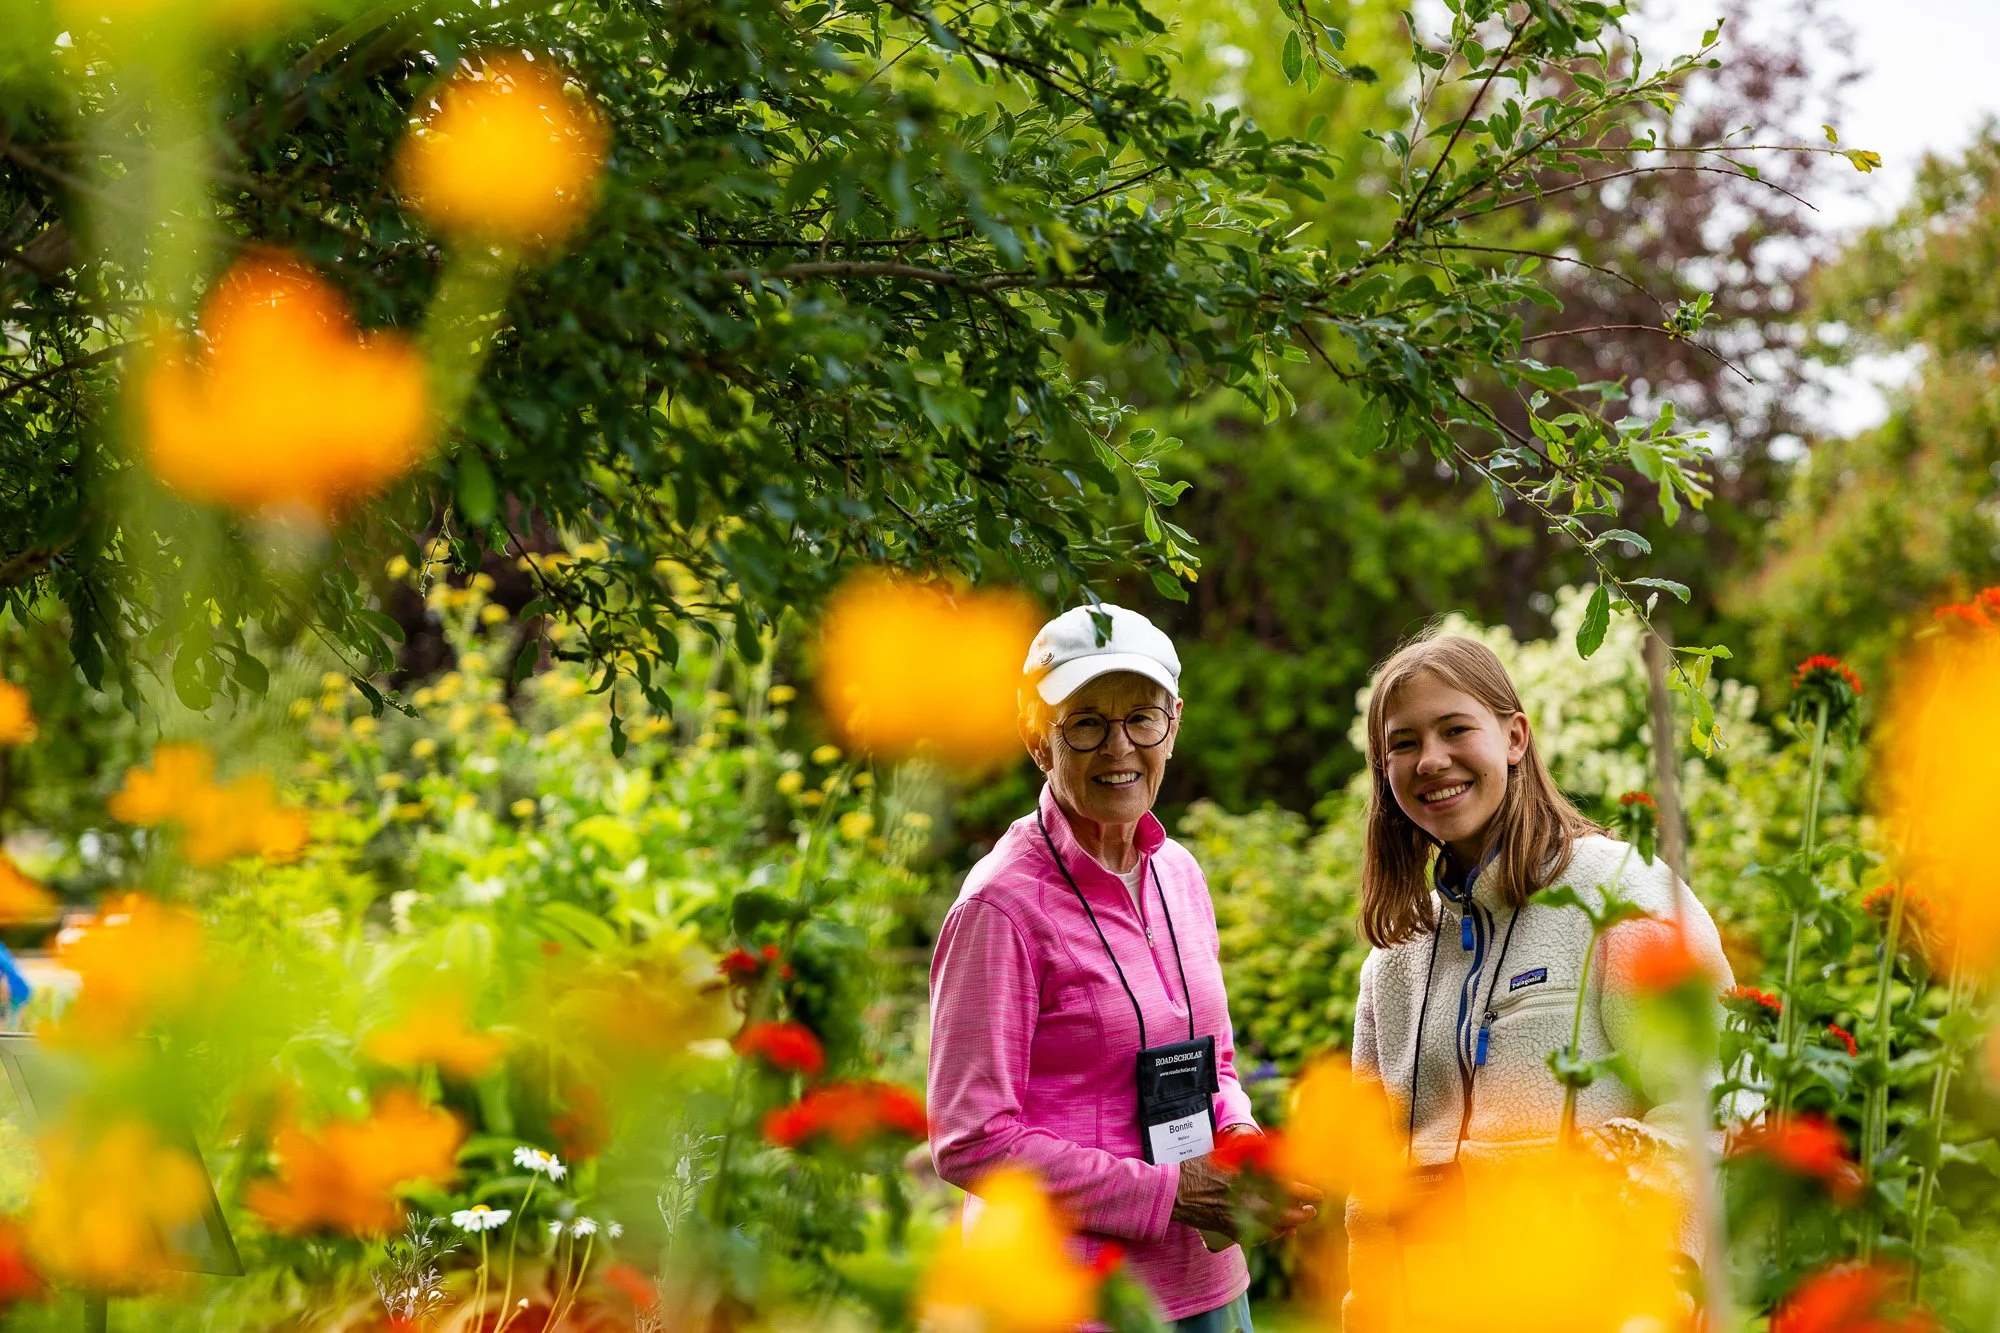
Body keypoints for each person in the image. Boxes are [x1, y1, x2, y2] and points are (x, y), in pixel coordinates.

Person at [928, 603, 1315, 1333]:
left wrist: (1242, 1148)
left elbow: (1217, 1068)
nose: (1120, 748)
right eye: (1086, 722)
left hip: (1207, 1281)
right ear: (1035, 735)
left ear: (1175, 720)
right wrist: (1168, 1192)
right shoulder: (1000, 905)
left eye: (1142, 717)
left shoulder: (1179, 872)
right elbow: (971, 1138)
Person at [1343, 632, 1735, 1324]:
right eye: (1402, 743)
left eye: (1455, 728)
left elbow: (1715, 1104)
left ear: (1515, 735)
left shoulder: (1623, 892)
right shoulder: (1394, 960)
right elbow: (1370, 1187)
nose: (1431, 759)